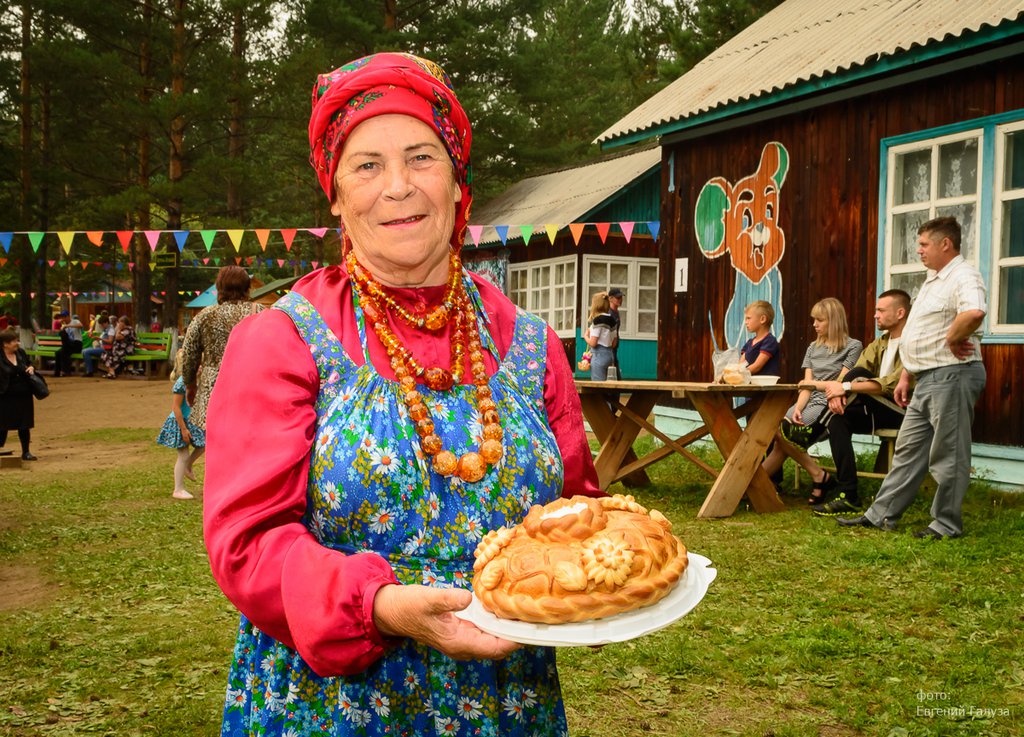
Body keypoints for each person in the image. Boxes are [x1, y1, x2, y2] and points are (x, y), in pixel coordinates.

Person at [202, 52, 602, 737]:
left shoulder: (530, 342)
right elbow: (247, 544)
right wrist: (381, 603)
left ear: (456, 184)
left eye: (421, 157)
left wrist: (600, 584)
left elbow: (575, 515)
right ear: (335, 192)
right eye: (367, 165)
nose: (398, 187)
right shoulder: (281, 340)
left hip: (507, 698)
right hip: (331, 704)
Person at [839, 217, 986, 539]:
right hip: (925, 376)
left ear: (945, 244)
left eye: (923, 244)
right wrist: (906, 372)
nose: (918, 250)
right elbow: (918, 333)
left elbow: (974, 312)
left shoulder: (963, 275)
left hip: (953, 374)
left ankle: (945, 525)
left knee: (948, 452)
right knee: (908, 449)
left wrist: (950, 339)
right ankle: (881, 515)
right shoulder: (933, 281)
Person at [811, 289, 912, 516]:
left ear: (900, 313)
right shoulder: (881, 343)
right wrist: (837, 393)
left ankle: (811, 431)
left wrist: (844, 388)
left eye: (881, 310)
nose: (875, 315)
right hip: (872, 406)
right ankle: (849, 495)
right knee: (838, 419)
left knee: (853, 382)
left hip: (901, 410)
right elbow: (858, 369)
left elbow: (889, 384)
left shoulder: (913, 344)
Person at [762, 297, 863, 504]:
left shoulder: (853, 346)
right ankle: (818, 475)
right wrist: (798, 407)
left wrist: (809, 384)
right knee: (777, 430)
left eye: (820, 320)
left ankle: (752, 484)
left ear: (834, 321)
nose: (814, 324)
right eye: (813, 320)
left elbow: (839, 383)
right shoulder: (812, 347)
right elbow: (805, 386)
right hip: (808, 401)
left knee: (782, 433)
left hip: (829, 402)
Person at [179, 266, 262, 431]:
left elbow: (189, 354)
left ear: (219, 288)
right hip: (252, 389)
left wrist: (190, 385)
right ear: (248, 287)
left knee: (217, 443)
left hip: (215, 390)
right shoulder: (261, 313)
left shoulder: (205, 315)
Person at [156, 349, 205, 500]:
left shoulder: (198, 382)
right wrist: (183, 429)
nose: (201, 367)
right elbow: (176, 408)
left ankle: (188, 465)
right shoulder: (182, 383)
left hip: (190, 421)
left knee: (205, 443)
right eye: (198, 365)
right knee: (183, 455)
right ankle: (178, 489)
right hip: (179, 422)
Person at [0, 328, 39, 460]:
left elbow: (29, 363)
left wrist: (31, 367)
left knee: (24, 424)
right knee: (2, 424)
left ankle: (26, 452)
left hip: (23, 394)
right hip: (5, 395)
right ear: (5, 344)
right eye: (14, 341)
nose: (17, 343)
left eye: (17, 340)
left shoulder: (21, 353)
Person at [738, 300, 780, 376]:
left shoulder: (770, 341)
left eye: (748, 318)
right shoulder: (749, 343)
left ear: (762, 319)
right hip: (749, 385)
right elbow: (740, 365)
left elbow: (757, 367)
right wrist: (729, 374)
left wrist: (737, 374)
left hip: (764, 386)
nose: (745, 322)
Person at [584, 291, 618, 381]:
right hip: (610, 355)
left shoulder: (597, 320)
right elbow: (614, 343)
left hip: (598, 356)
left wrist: (586, 336)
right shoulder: (613, 320)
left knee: (598, 387)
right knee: (609, 386)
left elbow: (593, 343)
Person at [54, 311, 84, 377]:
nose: (64, 319)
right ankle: (57, 373)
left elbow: (81, 325)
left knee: (64, 351)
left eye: (65, 317)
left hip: (77, 343)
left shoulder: (75, 321)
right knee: (58, 353)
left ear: (68, 316)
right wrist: (63, 327)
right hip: (68, 345)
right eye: (62, 317)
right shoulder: (63, 325)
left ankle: (66, 371)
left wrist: (67, 326)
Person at [607, 287, 624, 379]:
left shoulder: (616, 312)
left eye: (621, 297)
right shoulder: (609, 313)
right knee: (614, 377)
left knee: (617, 376)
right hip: (610, 348)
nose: (620, 300)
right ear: (610, 298)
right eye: (618, 298)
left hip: (615, 348)